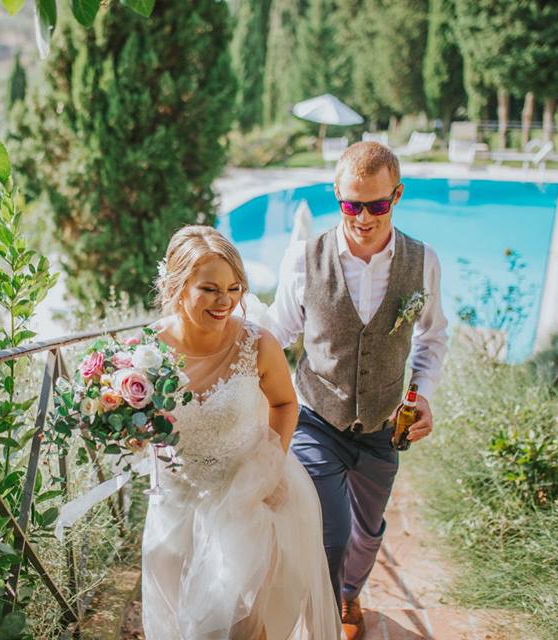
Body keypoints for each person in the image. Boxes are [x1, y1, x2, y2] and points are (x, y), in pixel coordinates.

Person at [264, 141, 449, 640]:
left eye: (376, 204)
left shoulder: (422, 261)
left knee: (368, 533)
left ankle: (349, 595)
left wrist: (423, 391)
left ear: (397, 195)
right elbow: (276, 335)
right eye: (351, 204)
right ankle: (320, 623)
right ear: (337, 196)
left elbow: (433, 336)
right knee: (333, 530)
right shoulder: (303, 259)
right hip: (316, 418)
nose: (362, 217)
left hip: (383, 427)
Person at [141, 225, 340, 639]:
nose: (226, 301)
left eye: (234, 288)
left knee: (238, 623)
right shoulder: (146, 349)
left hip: (247, 493)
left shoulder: (258, 344)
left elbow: (287, 404)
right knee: (182, 616)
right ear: (179, 287)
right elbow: (141, 417)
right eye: (210, 289)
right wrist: (133, 433)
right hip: (178, 495)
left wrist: (269, 469)